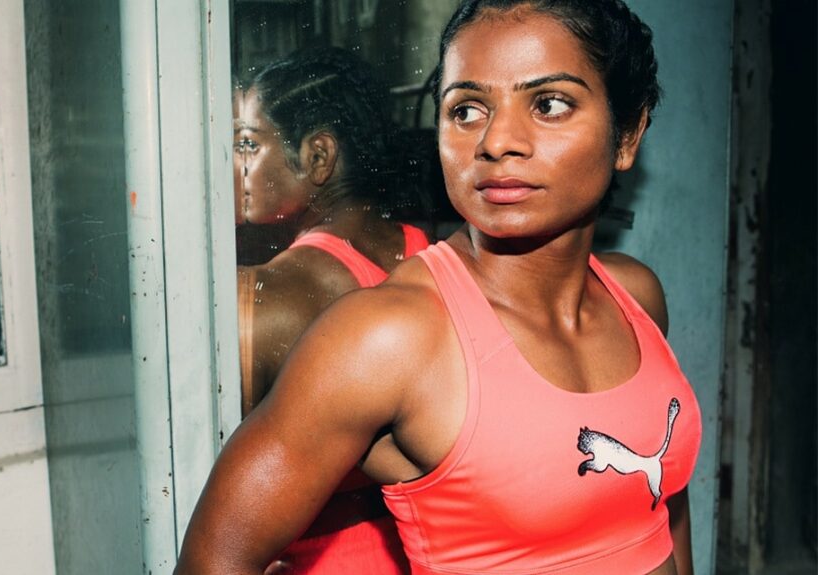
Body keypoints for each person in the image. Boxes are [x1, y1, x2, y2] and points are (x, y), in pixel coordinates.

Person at [179, 1, 702, 573]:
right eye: (468, 110)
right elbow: (215, 561)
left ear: (626, 135)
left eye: (549, 104)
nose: (498, 140)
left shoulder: (636, 298)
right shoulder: (389, 337)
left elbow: (660, 507)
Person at [233, 48, 429, 573]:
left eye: (248, 144)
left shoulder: (269, 294)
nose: (237, 166)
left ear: (319, 157)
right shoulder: (428, 255)